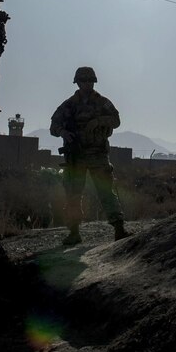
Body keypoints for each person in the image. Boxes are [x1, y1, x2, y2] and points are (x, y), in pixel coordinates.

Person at [50, 66, 131, 245]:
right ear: (77, 82)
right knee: (73, 193)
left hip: (98, 154)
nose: (87, 84)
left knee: (105, 192)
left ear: (94, 82)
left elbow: (116, 120)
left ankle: (119, 228)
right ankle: (74, 233)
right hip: (76, 157)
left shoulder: (102, 102)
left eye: (89, 81)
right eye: (83, 81)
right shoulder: (69, 105)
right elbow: (53, 126)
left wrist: (98, 121)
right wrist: (63, 132)